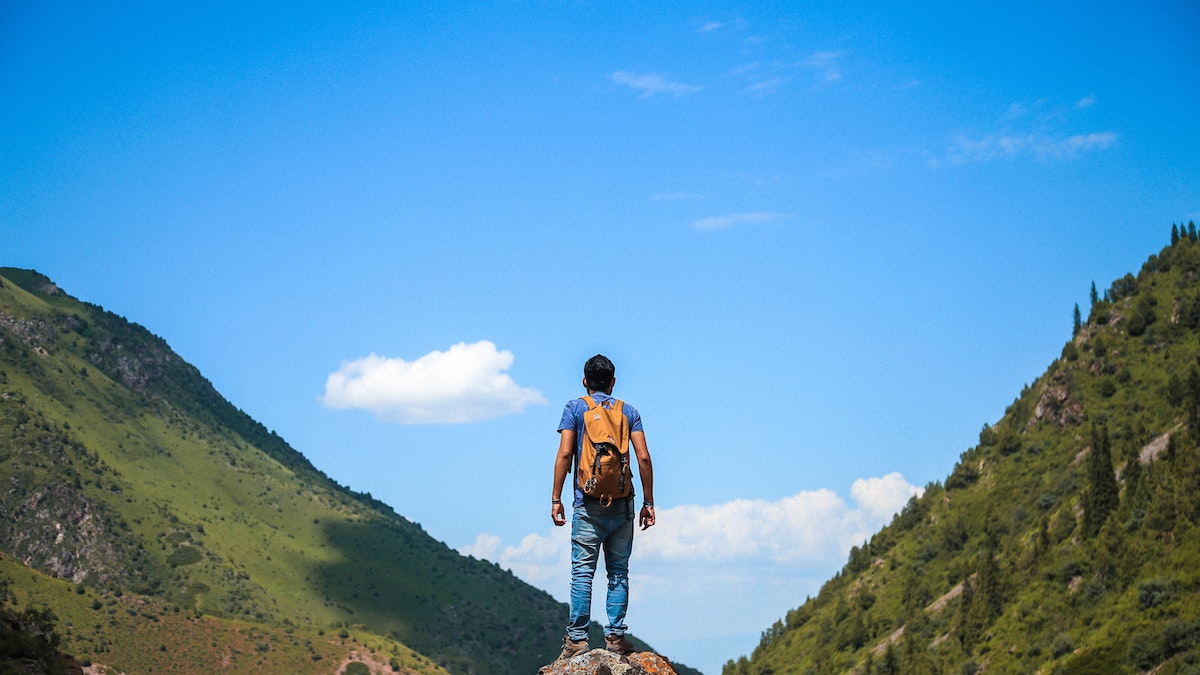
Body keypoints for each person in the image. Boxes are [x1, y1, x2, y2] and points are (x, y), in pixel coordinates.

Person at [551, 354, 655, 661]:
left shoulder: (575, 408)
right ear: (613, 382)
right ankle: (616, 639)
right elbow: (644, 457)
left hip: (587, 503)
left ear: (585, 381)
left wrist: (556, 498)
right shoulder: (629, 412)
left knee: (582, 573)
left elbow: (565, 453)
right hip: (622, 504)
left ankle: (576, 641)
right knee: (618, 572)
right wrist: (648, 502)